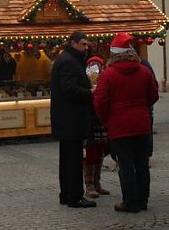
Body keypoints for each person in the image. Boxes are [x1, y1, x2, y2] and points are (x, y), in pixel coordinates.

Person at [93, 32, 159, 213]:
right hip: (142, 124)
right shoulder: (144, 71)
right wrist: (142, 109)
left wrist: (106, 118)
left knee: (126, 164)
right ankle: (143, 200)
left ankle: (130, 201)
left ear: (114, 53)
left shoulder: (109, 74)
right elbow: (154, 95)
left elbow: (100, 101)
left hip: (119, 126)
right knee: (141, 164)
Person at [51, 31, 96, 209]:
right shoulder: (69, 62)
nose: (86, 48)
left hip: (67, 120)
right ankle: (75, 196)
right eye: (83, 44)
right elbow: (70, 89)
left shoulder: (67, 59)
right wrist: (89, 93)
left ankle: (66, 194)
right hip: (71, 120)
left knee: (67, 159)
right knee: (74, 160)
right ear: (73, 43)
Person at [83, 56, 110, 199]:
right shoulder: (85, 82)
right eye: (93, 66)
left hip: (101, 120)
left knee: (100, 152)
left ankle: (97, 182)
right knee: (91, 153)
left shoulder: (104, 80)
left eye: (98, 66)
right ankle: (89, 184)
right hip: (91, 121)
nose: (96, 68)